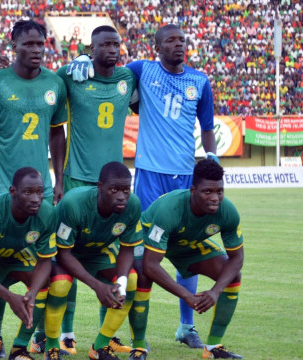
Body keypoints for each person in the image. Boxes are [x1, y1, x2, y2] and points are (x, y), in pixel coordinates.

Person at [68, 23, 219, 349]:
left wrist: (212, 155)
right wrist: (82, 56)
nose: (179, 45)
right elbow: (107, 67)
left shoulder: (200, 81)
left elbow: (207, 127)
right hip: (149, 174)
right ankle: (139, 337)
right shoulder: (141, 70)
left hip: (184, 175)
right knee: (138, 255)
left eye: (182, 39)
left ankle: (186, 326)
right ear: (158, 46)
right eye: (171, 40)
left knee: (185, 249)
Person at [28, 25, 139, 356]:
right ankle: (64, 333)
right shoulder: (72, 76)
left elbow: (145, 82)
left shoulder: (127, 79)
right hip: (77, 178)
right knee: (67, 254)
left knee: (118, 257)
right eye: (104, 44)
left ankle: (109, 334)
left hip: (114, 184)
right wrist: (58, 178)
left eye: (116, 43)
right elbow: (52, 109)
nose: (112, 49)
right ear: (91, 48)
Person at [0, 20, 67, 357]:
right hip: (0, 191)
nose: (36, 50)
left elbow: (57, 132)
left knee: (45, 267)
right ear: (13, 45)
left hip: (38, 193)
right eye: (28, 44)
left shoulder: (54, 83)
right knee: (0, 269)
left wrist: (59, 180)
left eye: (41, 44)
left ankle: (36, 336)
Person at [139, 159, 244, 359]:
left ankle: (213, 348)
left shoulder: (228, 211)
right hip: (147, 236)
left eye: (219, 191)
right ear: (193, 190)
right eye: (208, 192)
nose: (215, 198)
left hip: (186, 244)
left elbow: (237, 258)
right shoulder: (170, 209)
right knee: (141, 276)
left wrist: (215, 292)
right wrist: (186, 296)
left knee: (233, 276)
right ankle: (138, 341)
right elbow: (151, 265)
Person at [42, 162, 141, 360]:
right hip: (65, 252)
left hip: (98, 252)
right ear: (100, 187)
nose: (121, 196)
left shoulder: (133, 205)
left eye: (126, 189)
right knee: (61, 283)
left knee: (130, 280)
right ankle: (52, 346)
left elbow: (128, 248)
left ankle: (100, 347)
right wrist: (97, 286)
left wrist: (120, 283)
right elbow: (63, 253)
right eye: (114, 189)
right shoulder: (74, 203)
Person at [0, 167, 57, 360]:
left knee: (42, 282)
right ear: (13, 191)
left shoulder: (47, 213)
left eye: (39, 192)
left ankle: (19, 349)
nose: (35, 199)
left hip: (16, 252)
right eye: (28, 192)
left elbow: (45, 260)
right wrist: (8, 296)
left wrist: (32, 293)